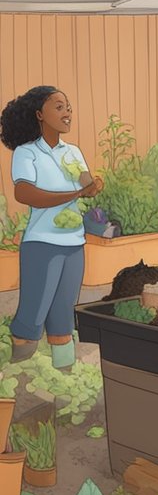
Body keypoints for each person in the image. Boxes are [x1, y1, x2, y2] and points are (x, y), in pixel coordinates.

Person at [2, 86, 103, 369]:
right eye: (59, 107)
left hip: (74, 244)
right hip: (42, 244)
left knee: (63, 317)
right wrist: (73, 195)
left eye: (68, 106)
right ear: (39, 115)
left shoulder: (72, 152)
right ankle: (16, 379)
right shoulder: (26, 153)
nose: (67, 112)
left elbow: (85, 183)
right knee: (32, 316)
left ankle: (66, 378)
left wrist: (93, 186)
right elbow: (24, 194)